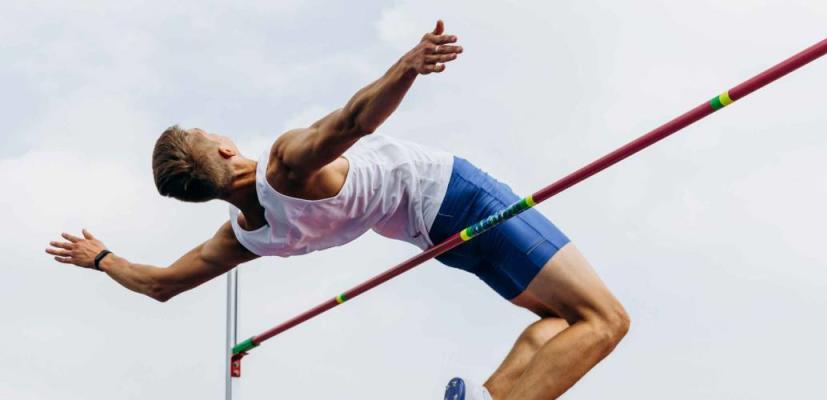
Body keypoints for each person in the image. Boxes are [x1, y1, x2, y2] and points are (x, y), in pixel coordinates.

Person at [45, 20, 629, 400]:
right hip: (461, 197)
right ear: (224, 149)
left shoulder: (247, 235)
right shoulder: (285, 165)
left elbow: (161, 285)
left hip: (434, 235)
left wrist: (102, 259)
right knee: (606, 321)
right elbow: (352, 121)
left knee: (561, 325)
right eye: (208, 130)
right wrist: (408, 65)